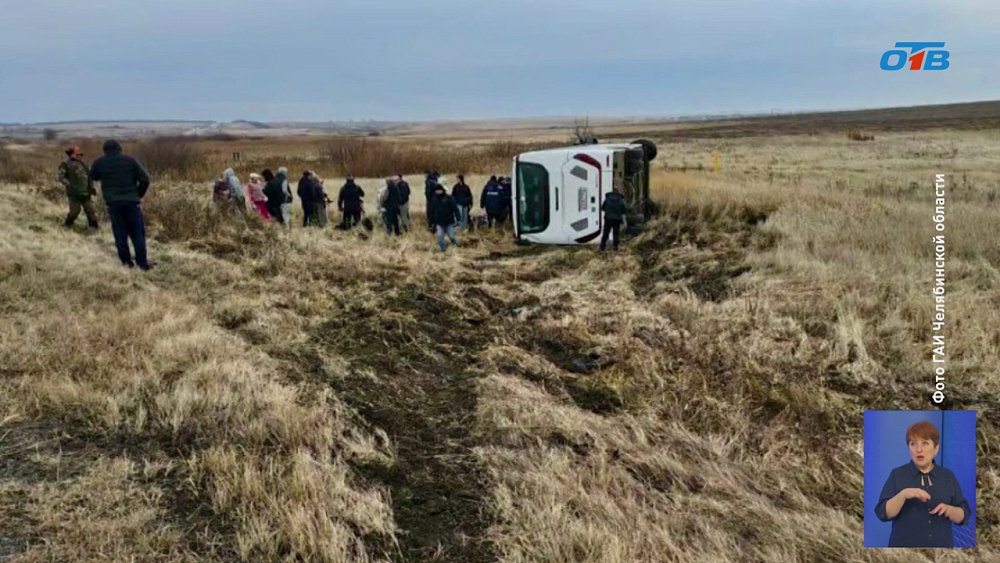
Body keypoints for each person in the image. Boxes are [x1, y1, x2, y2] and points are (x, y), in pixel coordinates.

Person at [875, 420, 971, 548]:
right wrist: (903, 494)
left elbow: (964, 514)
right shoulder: (897, 474)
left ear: (936, 448)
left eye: (925, 443)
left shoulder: (947, 476)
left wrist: (950, 510)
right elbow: (882, 513)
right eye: (913, 444)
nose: (918, 449)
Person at [89, 139, 152, 270]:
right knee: (137, 233)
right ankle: (142, 264)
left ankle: (126, 263)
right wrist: (138, 194)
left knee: (120, 233)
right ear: (119, 148)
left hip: (113, 203)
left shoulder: (100, 162)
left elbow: (93, 176)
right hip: (132, 202)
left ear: (104, 150)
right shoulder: (130, 160)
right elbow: (145, 179)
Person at [58, 145, 98, 230]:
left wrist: (91, 187)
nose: (79, 155)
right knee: (75, 211)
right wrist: (69, 185)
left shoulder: (83, 163)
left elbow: (89, 176)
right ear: (71, 154)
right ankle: (67, 225)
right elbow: (61, 177)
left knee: (90, 210)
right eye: (77, 153)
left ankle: (94, 228)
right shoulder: (65, 164)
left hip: (86, 192)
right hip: (74, 193)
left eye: (80, 153)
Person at [428, 183, 459, 252]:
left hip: (449, 222)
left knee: (451, 236)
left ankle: (455, 246)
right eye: (436, 190)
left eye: (439, 190)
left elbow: (455, 208)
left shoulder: (449, 198)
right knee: (440, 238)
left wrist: (458, 219)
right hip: (439, 223)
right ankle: (443, 250)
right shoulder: (434, 200)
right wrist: (431, 223)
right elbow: (431, 212)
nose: (438, 192)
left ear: (442, 190)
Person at [600, 187, 627, 251]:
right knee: (616, 234)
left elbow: (603, 208)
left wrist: (608, 211)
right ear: (618, 192)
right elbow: (623, 210)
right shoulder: (621, 200)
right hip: (617, 219)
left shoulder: (607, 199)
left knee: (606, 233)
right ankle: (615, 247)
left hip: (608, 218)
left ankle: (602, 247)